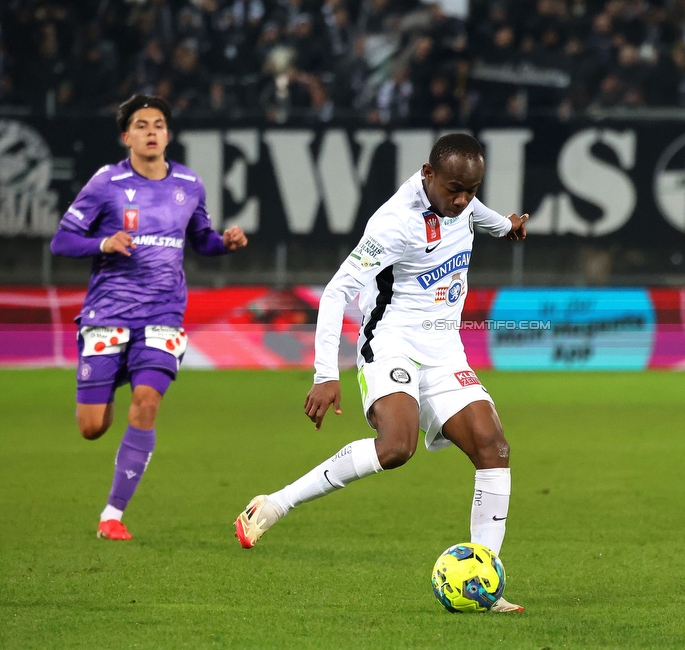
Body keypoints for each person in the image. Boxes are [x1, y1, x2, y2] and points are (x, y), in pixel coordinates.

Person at [234, 133, 529, 613]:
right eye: (455, 188)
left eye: (471, 189)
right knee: (397, 448)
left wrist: (507, 226)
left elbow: (478, 215)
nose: (462, 200)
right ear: (428, 174)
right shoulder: (394, 223)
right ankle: (276, 503)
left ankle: (482, 580)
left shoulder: (461, 204)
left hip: (444, 348)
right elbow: (334, 293)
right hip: (390, 343)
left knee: (494, 449)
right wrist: (325, 374)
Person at [50, 94, 248, 540]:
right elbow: (61, 242)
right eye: (141, 125)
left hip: (163, 313)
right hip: (108, 312)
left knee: (148, 402)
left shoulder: (189, 184)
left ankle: (112, 515)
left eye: (158, 123)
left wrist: (225, 243)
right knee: (92, 427)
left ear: (168, 134)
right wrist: (103, 243)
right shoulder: (105, 183)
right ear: (126, 136)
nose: (151, 131)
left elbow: (202, 240)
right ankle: (115, 372)